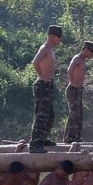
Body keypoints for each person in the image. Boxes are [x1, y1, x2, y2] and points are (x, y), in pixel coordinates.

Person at [29, 25, 63, 153]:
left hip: (48, 85)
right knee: (41, 115)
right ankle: (36, 144)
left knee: (50, 115)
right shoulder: (45, 48)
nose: (59, 39)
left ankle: (43, 138)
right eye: (58, 36)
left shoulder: (51, 49)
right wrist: (41, 76)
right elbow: (35, 62)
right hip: (42, 84)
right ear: (51, 36)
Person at [63, 41, 93, 143]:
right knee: (74, 114)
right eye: (91, 51)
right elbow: (70, 70)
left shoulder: (83, 60)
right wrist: (73, 83)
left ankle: (76, 137)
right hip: (73, 89)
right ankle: (68, 138)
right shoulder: (77, 58)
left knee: (79, 115)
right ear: (85, 49)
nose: (92, 54)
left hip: (78, 90)